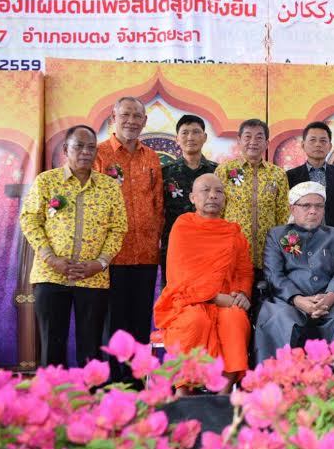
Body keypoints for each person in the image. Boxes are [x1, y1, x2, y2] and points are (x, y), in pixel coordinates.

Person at [20, 125, 128, 366]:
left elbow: (118, 228)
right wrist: (51, 258)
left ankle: (90, 400)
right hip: (50, 276)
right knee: (52, 345)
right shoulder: (46, 181)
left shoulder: (109, 187)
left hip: (93, 278)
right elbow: (30, 220)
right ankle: (53, 400)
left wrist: (99, 264)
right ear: (65, 150)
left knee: (91, 348)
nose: (86, 152)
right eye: (79, 146)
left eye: (91, 147)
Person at [153, 174, 253, 394]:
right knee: (195, 321)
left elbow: (244, 270)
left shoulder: (233, 231)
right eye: (206, 191)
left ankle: (225, 391)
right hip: (186, 301)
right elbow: (180, 275)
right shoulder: (183, 226)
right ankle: (183, 390)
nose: (212, 196)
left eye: (218, 191)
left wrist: (242, 294)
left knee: (235, 319)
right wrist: (215, 297)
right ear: (192, 198)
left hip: (227, 300)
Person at [255, 181, 334, 365]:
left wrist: (328, 299)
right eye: (306, 205)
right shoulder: (277, 235)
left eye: (318, 206)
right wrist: (298, 300)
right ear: (292, 208)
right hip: (287, 302)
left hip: (329, 301)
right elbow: (274, 275)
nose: (313, 211)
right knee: (284, 320)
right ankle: (284, 388)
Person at [94, 97, 163, 381]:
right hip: (111, 256)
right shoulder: (98, 154)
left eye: (137, 116)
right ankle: (112, 384)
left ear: (145, 121)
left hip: (146, 255)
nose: (132, 120)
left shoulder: (151, 157)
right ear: (113, 117)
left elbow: (158, 203)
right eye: (126, 114)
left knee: (139, 322)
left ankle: (137, 382)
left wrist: (154, 235)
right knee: (113, 323)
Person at [215, 118, 289, 279]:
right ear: (239, 141)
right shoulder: (224, 171)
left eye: (259, 137)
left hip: (268, 255)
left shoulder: (278, 174)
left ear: (267, 143)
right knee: (237, 302)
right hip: (233, 254)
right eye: (247, 137)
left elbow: (283, 214)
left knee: (265, 302)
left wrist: (282, 251)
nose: (253, 142)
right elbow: (216, 212)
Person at [160, 114, 218, 286]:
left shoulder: (218, 172)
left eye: (196, 132)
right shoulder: (164, 173)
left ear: (205, 137)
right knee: (174, 293)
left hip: (210, 244)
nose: (190, 137)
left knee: (210, 292)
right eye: (185, 133)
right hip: (175, 246)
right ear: (177, 138)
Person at [286, 121, 334, 245]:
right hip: (300, 243)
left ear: (330, 146)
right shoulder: (290, 176)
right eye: (312, 140)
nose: (318, 144)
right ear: (303, 145)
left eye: (323, 141)